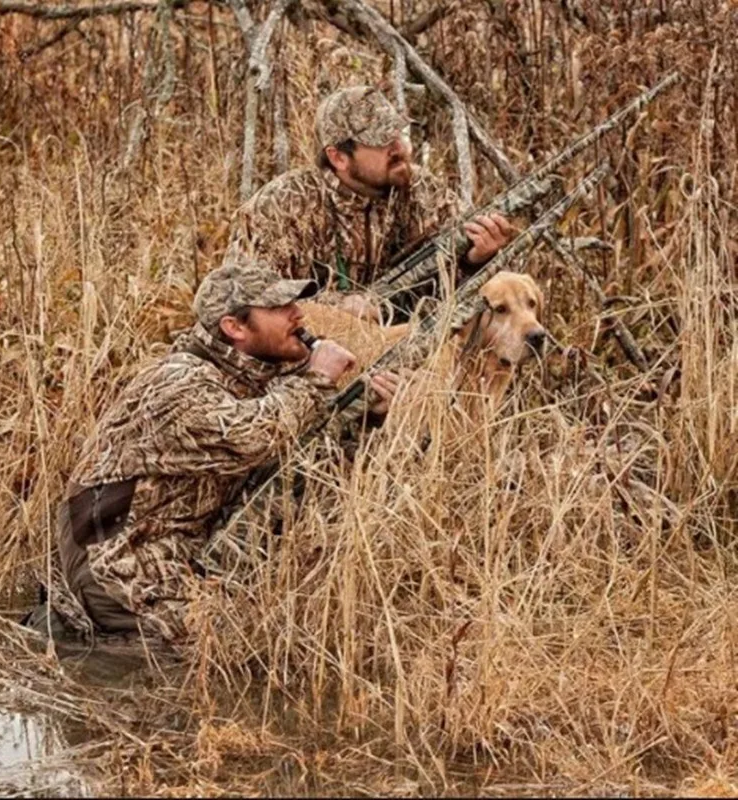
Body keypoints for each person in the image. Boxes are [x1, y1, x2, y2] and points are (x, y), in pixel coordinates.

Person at [41, 259, 401, 642]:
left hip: (182, 554)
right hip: (119, 573)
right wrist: (317, 380)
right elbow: (255, 438)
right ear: (234, 328)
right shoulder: (178, 384)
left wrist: (366, 416)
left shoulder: (254, 378)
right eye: (280, 308)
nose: (297, 314)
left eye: (293, 304)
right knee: (219, 656)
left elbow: (295, 460)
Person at [206, 85, 513, 323]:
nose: (399, 148)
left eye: (398, 133)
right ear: (338, 157)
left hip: (405, 345)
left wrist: (476, 260)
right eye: (381, 140)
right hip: (309, 354)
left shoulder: (424, 191)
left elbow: (454, 291)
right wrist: (338, 311)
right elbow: (245, 305)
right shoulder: (281, 206)